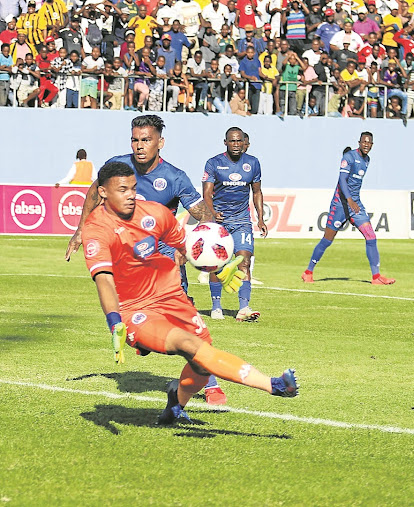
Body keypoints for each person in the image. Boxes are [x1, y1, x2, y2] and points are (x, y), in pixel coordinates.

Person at [81, 162, 298, 425]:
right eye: (122, 189)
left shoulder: (155, 212)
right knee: (190, 346)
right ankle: (274, 385)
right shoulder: (96, 228)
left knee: (202, 364)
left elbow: (189, 248)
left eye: (134, 188)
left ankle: (175, 405)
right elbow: (103, 279)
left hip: (172, 297)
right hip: (136, 309)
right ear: (103, 192)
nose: (131, 195)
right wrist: (114, 321)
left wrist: (221, 266)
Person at [65, 115, 232, 406]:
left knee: (187, 317)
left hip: (162, 262)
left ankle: (211, 383)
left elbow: (201, 211)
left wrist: (200, 241)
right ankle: (143, 341)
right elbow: (94, 191)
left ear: (160, 143)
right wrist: (81, 229)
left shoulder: (175, 177)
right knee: (135, 316)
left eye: (146, 140)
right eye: (135, 140)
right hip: (126, 263)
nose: (139, 146)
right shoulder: (118, 166)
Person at [302, 132, 395, 285]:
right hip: (340, 204)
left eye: (369, 142)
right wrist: (349, 200)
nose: (366, 144)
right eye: (364, 141)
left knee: (371, 237)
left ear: (372, 145)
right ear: (359, 142)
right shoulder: (349, 158)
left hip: (355, 205)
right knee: (327, 240)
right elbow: (342, 180)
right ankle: (308, 272)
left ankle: (376, 277)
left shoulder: (367, 160)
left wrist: (353, 201)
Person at [202, 127, 267, 322]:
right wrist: (213, 213)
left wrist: (261, 218)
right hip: (219, 221)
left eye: (239, 141)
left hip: (242, 221)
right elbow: (206, 193)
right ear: (225, 142)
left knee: (244, 261)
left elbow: (257, 192)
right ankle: (216, 306)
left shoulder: (253, 163)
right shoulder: (214, 163)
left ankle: (244, 308)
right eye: (232, 141)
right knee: (216, 263)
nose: (236, 145)